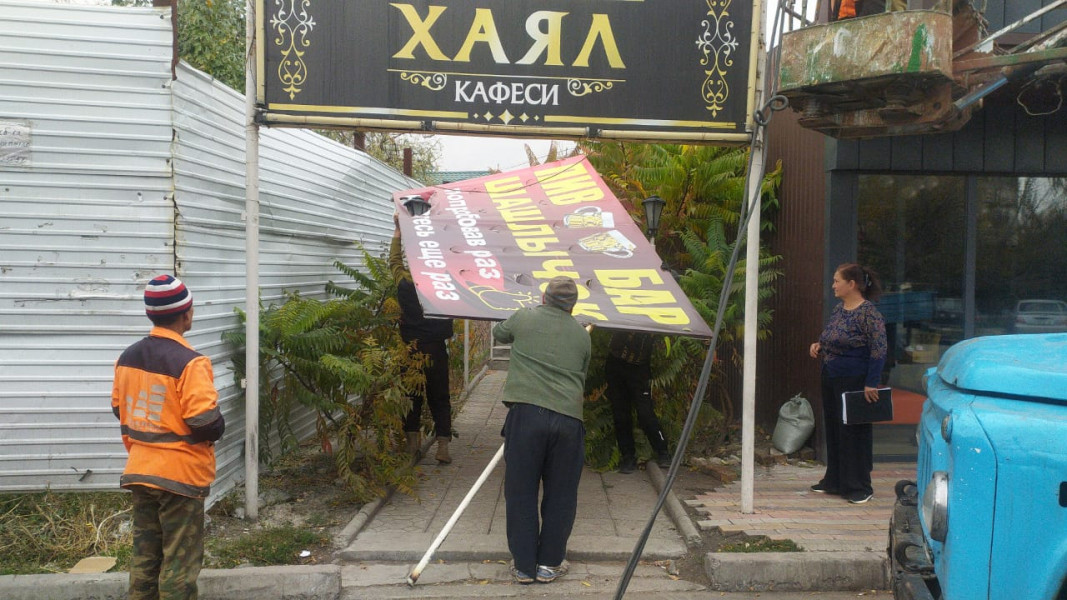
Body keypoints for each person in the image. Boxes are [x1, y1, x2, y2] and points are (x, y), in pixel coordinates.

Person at [112, 275, 225, 600]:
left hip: (140, 471)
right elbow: (204, 422)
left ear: (151, 314)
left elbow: (119, 408)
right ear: (187, 314)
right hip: (180, 478)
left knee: (145, 557)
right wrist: (219, 423)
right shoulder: (191, 363)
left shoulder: (127, 358)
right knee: (179, 564)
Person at [493, 276, 591, 585]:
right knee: (562, 494)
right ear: (572, 306)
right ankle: (549, 564)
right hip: (569, 421)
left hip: (526, 416)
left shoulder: (524, 317)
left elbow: (499, 332)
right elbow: (582, 373)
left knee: (521, 490)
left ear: (544, 298)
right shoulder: (582, 335)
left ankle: (524, 566)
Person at [808, 263, 887, 505]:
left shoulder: (869, 313)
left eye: (837, 281)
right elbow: (832, 335)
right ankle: (834, 480)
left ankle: (859, 486)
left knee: (854, 432)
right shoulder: (839, 309)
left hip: (855, 380)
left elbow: (879, 349)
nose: (833, 285)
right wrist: (819, 345)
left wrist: (872, 382)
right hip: (831, 376)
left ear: (851, 284)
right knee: (834, 428)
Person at [391, 214, 455, 464]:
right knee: (440, 397)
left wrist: (398, 231)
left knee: (411, 396)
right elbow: (453, 260)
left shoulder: (404, 282)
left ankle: (412, 448)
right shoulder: (443, 283)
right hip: (436, 350)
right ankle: (443, 448)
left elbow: (394, 260)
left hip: (411, 350)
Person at [605, 330, 670, 474]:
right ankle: (628, 457)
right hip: (617, 363)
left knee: (645, 413)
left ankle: (662, 451)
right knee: (621, 414)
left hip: (639, 368)